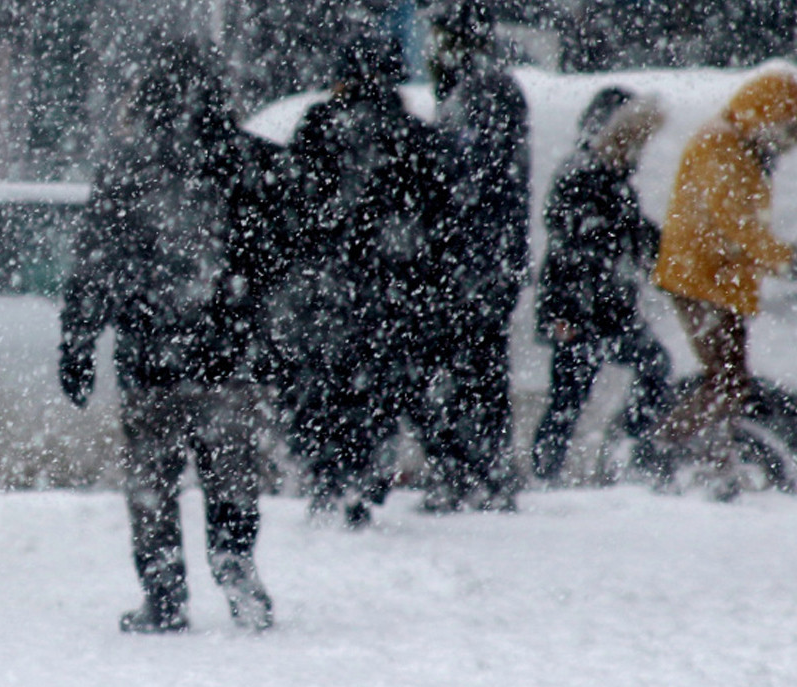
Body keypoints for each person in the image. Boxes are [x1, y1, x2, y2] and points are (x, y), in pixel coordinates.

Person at [58, 39, 274, 634]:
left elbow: (94, 265)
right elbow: (277, 262)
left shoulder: (127, 167)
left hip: (150, 357)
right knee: (231, 479)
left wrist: (77, 343)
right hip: (228, 357)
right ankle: (236, 566)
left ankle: (163, 595)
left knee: (152, 487)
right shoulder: (247, 162)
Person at [282, 33, 452, 528]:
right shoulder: (413, 134)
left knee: (322, 388)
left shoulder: (318, 126)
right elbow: (439, 220)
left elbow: (292, 204)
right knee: (379, 392)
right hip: (393, 292)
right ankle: (363, 483)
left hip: (326, 289)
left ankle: (324, 478)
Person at [651, 68, 797, 500]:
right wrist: (787, 261)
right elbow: (738, 224)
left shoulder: (743, 146)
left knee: (731, 379)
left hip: (720, 280)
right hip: (700, 279)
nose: (790, 143)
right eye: (788, 130)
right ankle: (664, 446)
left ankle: (715, 460)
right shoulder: (721, 144)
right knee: (728, 380)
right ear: (767, 115)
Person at [530, 87, 673, 482]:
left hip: (608, 310)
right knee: (569, 398)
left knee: (647, 366)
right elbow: (571, 251)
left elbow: (633, 235)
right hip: (579, 311)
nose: (638, 151)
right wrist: (565, 315)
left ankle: (627, 448)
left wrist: (667, 252)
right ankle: (551, 472)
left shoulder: (612, 178)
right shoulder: (581, 175)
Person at [427, 0, 531, 512]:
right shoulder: (483, 87)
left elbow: (470, 176)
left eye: (438, 35)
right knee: (477, 369)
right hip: (482, 260)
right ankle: (476, 472)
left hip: (475, 262)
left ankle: (475, 474)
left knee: (474, 369)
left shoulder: (482, 91)